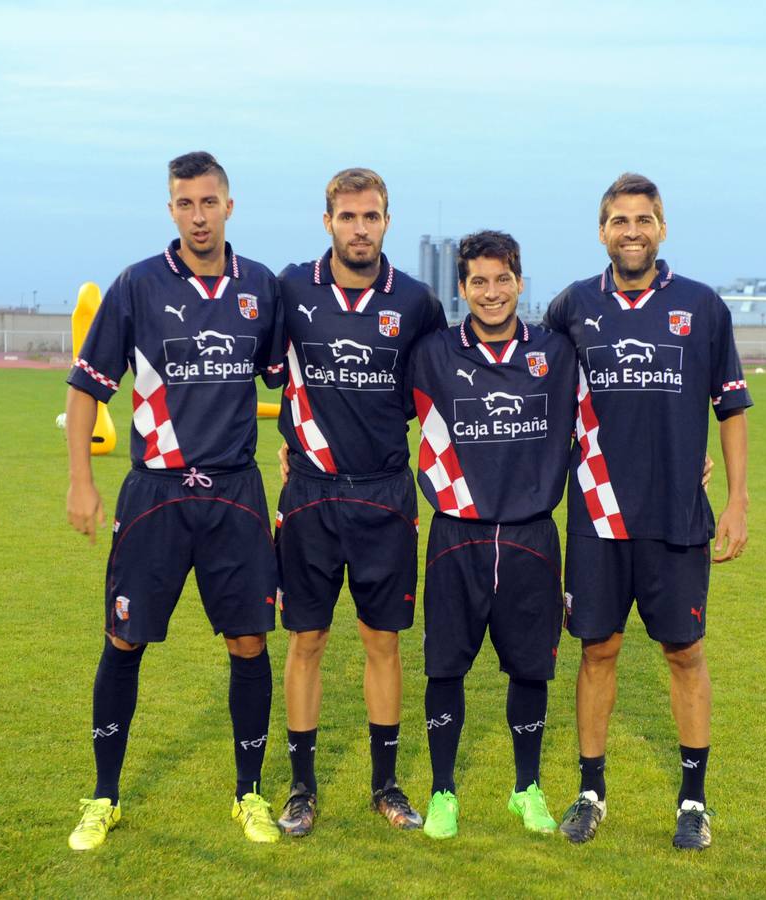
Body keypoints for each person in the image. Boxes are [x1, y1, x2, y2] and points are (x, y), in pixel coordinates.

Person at [64, 151, 286, 849]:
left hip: (235, 492)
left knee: (248, 641)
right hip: (156, 492)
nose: (198, 216)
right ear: (171, 210)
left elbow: (291, 380)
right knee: (124, 639)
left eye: (209, 202)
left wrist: (297, 448)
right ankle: (104, 796)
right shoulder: (137, 285)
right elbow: (86, 387)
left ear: (229, 206)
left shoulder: (260, 287)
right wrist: (80, 481)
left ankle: (249, 794)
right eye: (185, 204)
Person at [543, 173, 752, 851]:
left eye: (643, 220)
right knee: (597, 649)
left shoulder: (701, 305)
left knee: (685, 652)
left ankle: (693, 802)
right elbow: (536, 391)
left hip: (676, 513)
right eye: (619, 221)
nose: (631, 232)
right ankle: (590, 792)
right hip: (598, 513)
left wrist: (737, 500)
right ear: (601, 231)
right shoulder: (572, 306)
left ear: (661, 228)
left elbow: (730, 407)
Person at [272, 168, 446, 835]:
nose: (360, 228)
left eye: (371, 216)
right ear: (328, 223)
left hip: (384, 494)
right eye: (347, 216)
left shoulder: (418, 301)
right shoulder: (292, 289)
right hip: (310, 494)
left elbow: (444, 390)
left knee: (382, 640)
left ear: (387, 221)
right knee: (307, 638)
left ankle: (386, 785)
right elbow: (257, 366)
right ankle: (302, 789)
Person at [408, 230, 577, 840]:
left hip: (532, 534)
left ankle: (526, 788)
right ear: (462, 288)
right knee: (444, 668)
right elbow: (369, 412)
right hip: (457, 533)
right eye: (478, 281)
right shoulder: (431, 353)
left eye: (503, 279)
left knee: (531, 669)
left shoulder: (555, 353)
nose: (491, 292)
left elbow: (606, 420)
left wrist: (688, 461)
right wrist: (295, 449)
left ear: (519, 283)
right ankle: (443, 792)